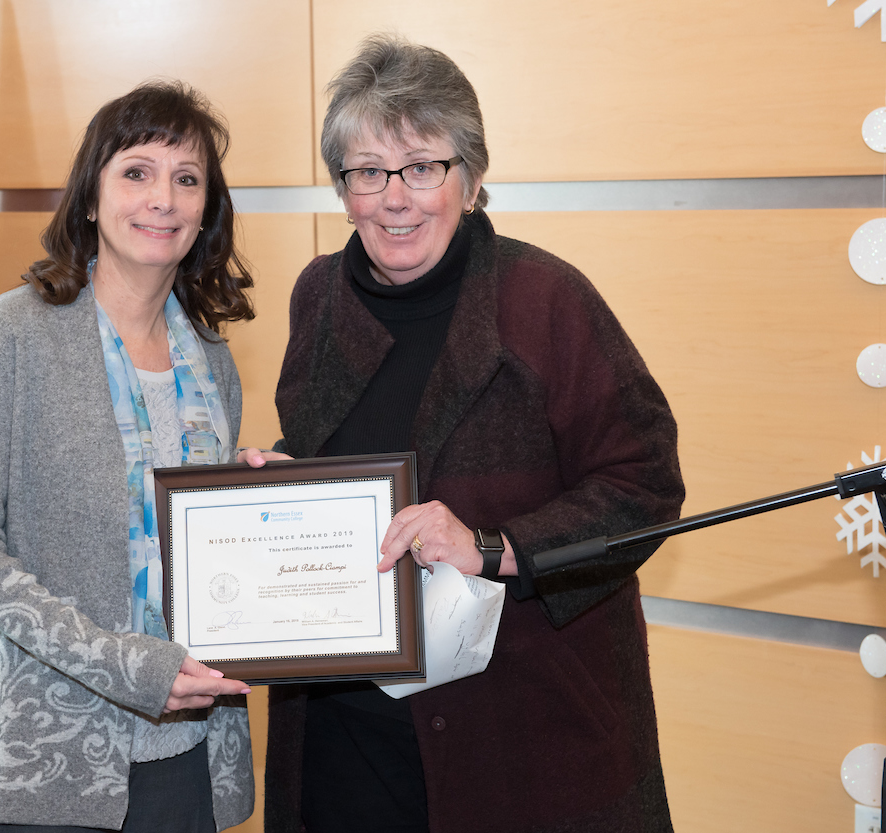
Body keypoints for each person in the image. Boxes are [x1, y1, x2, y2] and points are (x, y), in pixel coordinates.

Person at [244, 36, 685, 833]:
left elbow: (644, 482)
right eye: (368, 171)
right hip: (345, 743)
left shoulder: (545, 298)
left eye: (422, 167)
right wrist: (277, 483)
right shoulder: (318, 295)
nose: (395, 198)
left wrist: (491, 545)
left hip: (521, 743)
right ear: (343, 189)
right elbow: (326, 448)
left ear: (471, 179)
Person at [0, 81, 256, 833]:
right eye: (136, 172)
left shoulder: (211, 361)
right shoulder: (11, 336)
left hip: (185, 746)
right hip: (34, 757)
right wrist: (126, 666)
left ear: (206, 209)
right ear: (90, 198)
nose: (162, 199)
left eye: (187, 179)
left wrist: (254, 499)